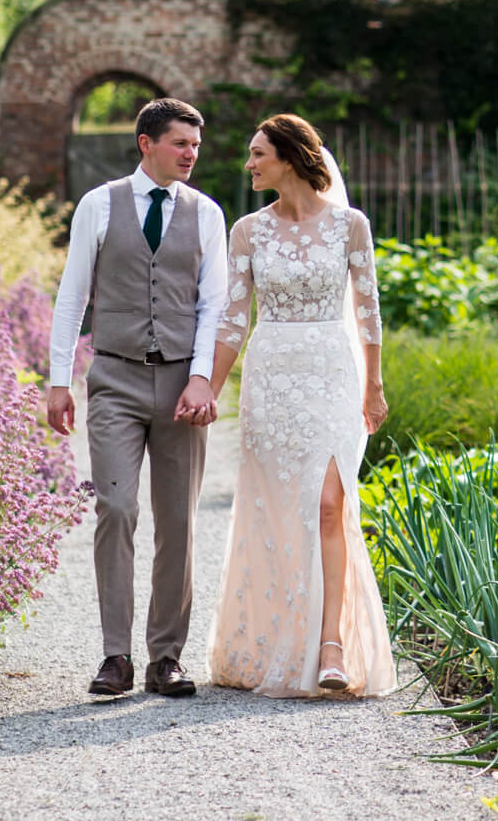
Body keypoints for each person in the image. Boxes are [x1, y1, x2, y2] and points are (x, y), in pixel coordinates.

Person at [205, 113, 396, 697]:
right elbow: (235, 318)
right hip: (272, 375)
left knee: (330, 503)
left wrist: (374, 384)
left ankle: (332, 644)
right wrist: (206, 391)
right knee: (279, 507)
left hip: (333, 373)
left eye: (258, 153)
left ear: (288, 157)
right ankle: (274, 638)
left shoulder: (349, 225)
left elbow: (367, 309)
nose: (250, 164)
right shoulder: (248, 232)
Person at [46, 97, 229, 699]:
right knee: (117, 509)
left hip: (182, 384)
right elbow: (73, 295)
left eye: (195, 146)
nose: (190, 154)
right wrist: (58, 380)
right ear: (146, 142)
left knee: (177, 522)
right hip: (115, 379)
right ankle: (115, 656)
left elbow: (213, 306)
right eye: (180, 143)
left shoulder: (206, 214)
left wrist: (202, 376)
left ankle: (166, 657)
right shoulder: (98, 205)